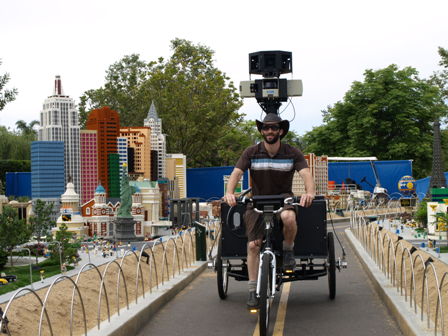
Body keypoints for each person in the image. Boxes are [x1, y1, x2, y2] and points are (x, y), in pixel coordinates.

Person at [223, 114, 315, 310]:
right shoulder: (251, 152)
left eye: (274, 128)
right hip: (257, 203)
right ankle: (252, 291)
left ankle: (288, 249)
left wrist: (310, 193)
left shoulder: (293, 152)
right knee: (253, 247)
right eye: (266, 128)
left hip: (284, 201)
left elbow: (306, 173)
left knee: (289, 218)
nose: (269, 131)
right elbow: (237, 173)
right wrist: (229, 193)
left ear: (281, 131)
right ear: (262, 131)